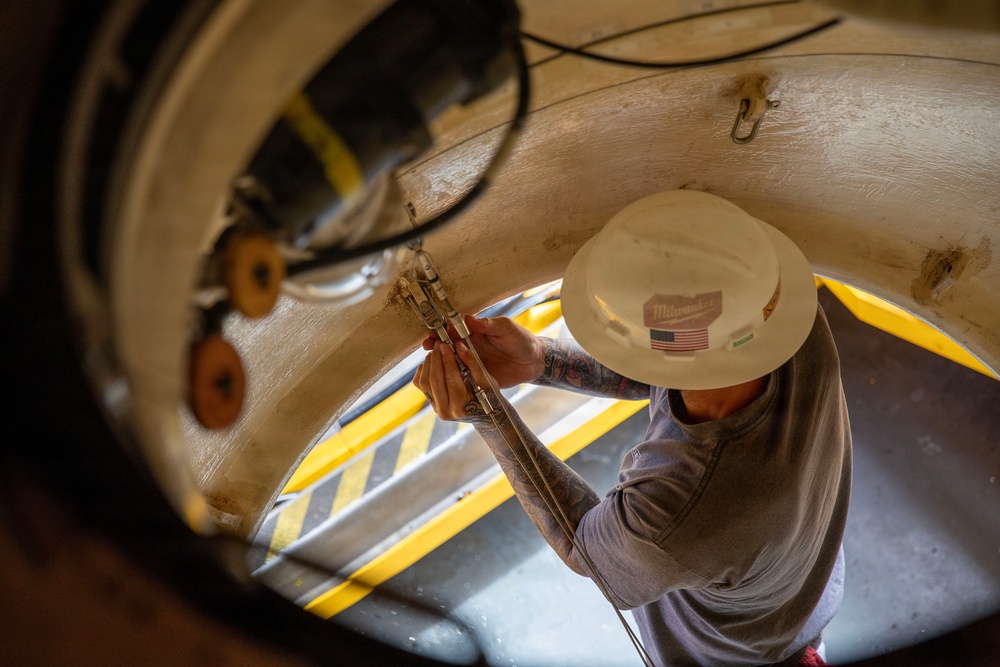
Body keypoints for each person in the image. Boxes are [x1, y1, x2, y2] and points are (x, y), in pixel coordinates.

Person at [413, 191, 852, 667]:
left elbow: (586, 547)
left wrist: (487, 413)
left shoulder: (680, 512)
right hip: (798, 599)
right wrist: (540, 360)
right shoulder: (781, 314)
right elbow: (674, 364)